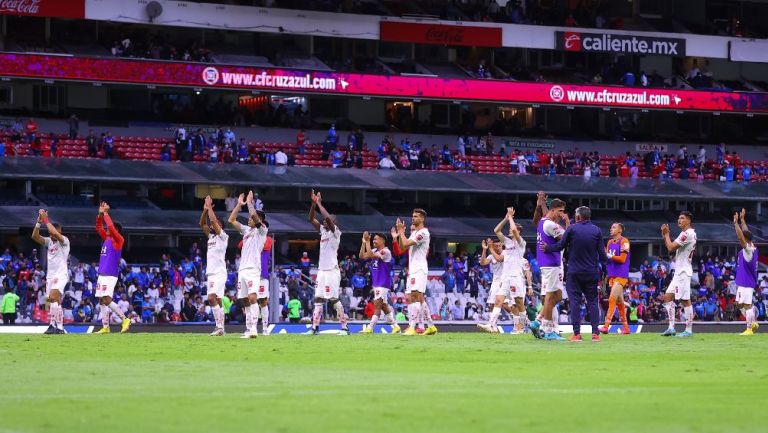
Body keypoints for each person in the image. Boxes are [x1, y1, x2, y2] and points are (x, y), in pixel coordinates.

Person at [543, 206, 607, 342]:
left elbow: (560, 246)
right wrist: (605, 273)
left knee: (575, 303)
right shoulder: (597, 230)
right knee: (593, 303)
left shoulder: (572, 229)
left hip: (574, 273)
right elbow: (602, 254)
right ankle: (595, 334)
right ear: (589, 217)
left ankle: (577, 334)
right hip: (591, 272)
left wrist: (548, 248)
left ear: (578, 217)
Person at [305, 190, 349, 335]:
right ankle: (314, 328)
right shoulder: (323, 232)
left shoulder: (336, 232)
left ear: (334, 222)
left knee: (333, 298)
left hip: (331, 270)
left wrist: (319, 203)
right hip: (322, 270)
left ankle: (344, 327)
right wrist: (313, 204)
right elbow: (311, 219)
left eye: (329, 219)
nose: (325, 220)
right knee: (318, 297)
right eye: (324, 219)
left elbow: (328, 220)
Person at [228, 191, 268, 339]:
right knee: (244, 300)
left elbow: (256, 220)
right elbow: (231, 220)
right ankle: (249, 328)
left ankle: (254, 330)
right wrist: (239, 204)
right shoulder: (246, 231)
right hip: (242, 269)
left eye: (252, 217)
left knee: (252, 298)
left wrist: (250, 203)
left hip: (253, 269)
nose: (249, 219)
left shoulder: (262, 230)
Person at [530, 194, 569, 340]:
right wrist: (568, 224)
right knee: (550, 296)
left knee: (557, 296)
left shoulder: (544, 221)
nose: (562, 214)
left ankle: (537, 321)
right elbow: (566, 240)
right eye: (560, 211)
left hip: (549, 264)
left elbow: (544, 213)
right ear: (553, 211)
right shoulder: (551, 225)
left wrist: (541, 203)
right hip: (552, 264)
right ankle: (548, 330)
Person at [395, 209, 437, 336]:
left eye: (416, 216)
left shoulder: (423, 233)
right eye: (412, 216)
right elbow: (403, 246)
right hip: (412, 269)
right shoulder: (415, 233)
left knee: (414, 296)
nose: (413, 218)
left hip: (419, 268)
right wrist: (401, 233)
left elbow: (406, 243)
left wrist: (401, 232)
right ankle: (430, 326)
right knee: (414, 297)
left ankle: (412, 327)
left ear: (422, 219)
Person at [94, 202, 131, 334]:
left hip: (110, 274)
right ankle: (105, 327)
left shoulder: (118, 240)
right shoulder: (107, 238)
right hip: (102, 273)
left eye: (111, 228)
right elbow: (98, 226)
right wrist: (100, 213)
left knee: (106, 299)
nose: (107, 228)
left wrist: (106, 213)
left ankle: (125, 319)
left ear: (116, 230)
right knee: (101, 300)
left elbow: (109, 225)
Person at [31, 209, 70, 334]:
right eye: (51, 233)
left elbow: (54, 232)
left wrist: (46, 219)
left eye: (54, 233)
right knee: (54, 301)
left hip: (61, 274)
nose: (52, 235)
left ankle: (55, 326)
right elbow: (34, 236)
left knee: (53, 297)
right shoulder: (49, 242)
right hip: (50, 276)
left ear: (60, 232)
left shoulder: (64, 241)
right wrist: (39, 222)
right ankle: (57, 327)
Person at [660, 211, 697, 337]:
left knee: (685, 300)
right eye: (678, 218)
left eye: (682, 218)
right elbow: (670, 247)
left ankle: (689, 330)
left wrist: (666, 234)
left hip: (683, 272)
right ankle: (671, 328)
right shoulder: (683, 233)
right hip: (679, 272)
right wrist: (665, 236)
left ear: (688, 221)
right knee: (667, 297)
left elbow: (670, 248)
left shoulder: (688, 234)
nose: (679, 220)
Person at [358, 231, 400, 333]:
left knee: (377, 304)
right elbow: (362, 256)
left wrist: (367, 242)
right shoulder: (375, 250)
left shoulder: (386, 251)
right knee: (384, 306)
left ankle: (370, 327)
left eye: (376, 239)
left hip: (383, 283)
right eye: (374, 239)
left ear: (382, 241)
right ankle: (396, 326)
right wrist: (364, 243)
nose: (374, 241)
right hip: (376, 282)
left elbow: (371, 254)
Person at [200, 195, 228, 336]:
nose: (212, 225)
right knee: (217, 300)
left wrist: (210, 207)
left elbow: (212, 221)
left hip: (220, 273)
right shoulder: (211, 237)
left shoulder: (223, 237)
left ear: (220, 227)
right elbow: (202, 224)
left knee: (211, 298)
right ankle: (221, 328)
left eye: (216, 224)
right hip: (211, 273)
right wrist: (205, 210)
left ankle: (219, 327)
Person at [598, 223, 631, 335]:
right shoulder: (610, 242)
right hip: (612, 275)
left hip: (621, 275)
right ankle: (626, 328)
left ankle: (606, 326)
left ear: (620, 230)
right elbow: (608, 259)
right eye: (611, 227)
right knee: (619, 302)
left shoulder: (624, 241)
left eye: (614, 227)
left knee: (612, 298)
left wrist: (609, 256)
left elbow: (622, 259)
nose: (611, 229)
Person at [733, 209, 759, 335]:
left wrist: (735, 223)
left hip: (747, 281)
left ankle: (749, 328)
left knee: (747, 305)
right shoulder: (752, 245)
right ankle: (753, 318)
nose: (740, 239)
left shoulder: (748, 250)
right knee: (739, 304)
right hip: (743, 280)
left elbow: (741, 236)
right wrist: (742, 220)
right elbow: (745, 233)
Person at [477, 237, 510, 333]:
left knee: (505, 306)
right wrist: (484, 249)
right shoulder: (491, 256)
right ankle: (493, 327)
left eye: (500, 245)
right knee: (492, 304)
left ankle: (520, 320)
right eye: (496, 246)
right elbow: (482, 263)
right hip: (495, 282)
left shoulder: (506, 253)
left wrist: (491, 248)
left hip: (505, 281)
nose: (498, 247)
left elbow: (499, 259)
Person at [257, 233, 273, 335]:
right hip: (250, 273)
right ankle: (250, 327)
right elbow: (241, 245)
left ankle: (264, 328)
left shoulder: (268, 239)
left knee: (263, 301)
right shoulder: (250, 236)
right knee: (249, 300)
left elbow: (265, 246)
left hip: (262, 275)